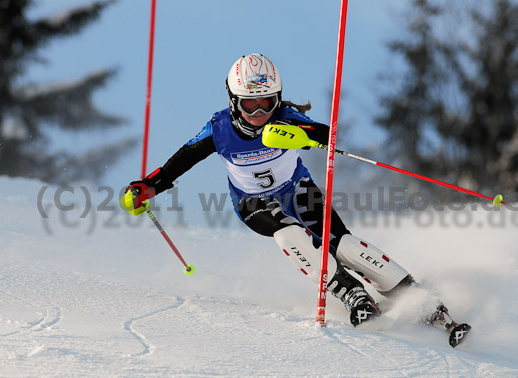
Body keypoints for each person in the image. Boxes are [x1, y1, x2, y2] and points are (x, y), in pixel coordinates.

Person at [122, 54, 444, 327]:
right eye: (251, 105)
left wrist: (301, 134)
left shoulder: (286, 118)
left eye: (267, 103)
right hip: (251, 202)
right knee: (289, 235)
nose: (260, 114)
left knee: (340, 243)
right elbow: (184, 158)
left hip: (297, 188)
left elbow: (326, 135)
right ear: (234, 102)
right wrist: (149, 186)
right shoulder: (220, 130)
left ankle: (411, 293)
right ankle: (349, 291)